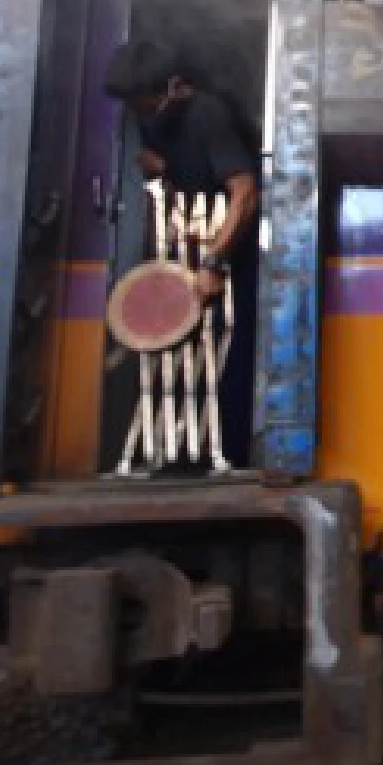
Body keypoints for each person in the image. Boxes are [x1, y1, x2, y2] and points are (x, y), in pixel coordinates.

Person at [103, 40, 261, 467]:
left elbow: (244, 193)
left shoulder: (209, 114)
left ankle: (227, 456)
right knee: (172, 354)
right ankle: (175, 454)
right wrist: (164, 172)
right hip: (186, 247)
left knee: (228, 351)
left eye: (148, 101)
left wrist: (216, 263)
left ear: (176, 87)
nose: (143, 111)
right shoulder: (150, 120)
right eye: (135, 105)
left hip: (233, 253)